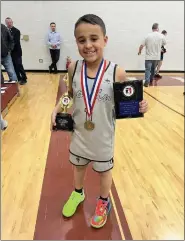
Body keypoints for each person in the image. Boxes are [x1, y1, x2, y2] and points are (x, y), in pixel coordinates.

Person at [51, 14, 148, 229]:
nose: (88, 45)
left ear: (105, 40)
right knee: (78, 166)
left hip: (103, 135)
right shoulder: (73, 68)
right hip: (79, 133)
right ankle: (78, 193)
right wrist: (57, 107)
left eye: (94, 38)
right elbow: (69, 94)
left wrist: (140, 106)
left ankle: (104, 202)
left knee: (104, 171)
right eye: (81, 40)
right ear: (76, 42)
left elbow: (127, 101)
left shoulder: (117, 72)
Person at [138, 23, 166, 87]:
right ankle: (151, 80)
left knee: (147, 69)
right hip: (156, 57)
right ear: (157, 28)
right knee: (153, 69)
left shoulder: (148, 36)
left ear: (152, 28)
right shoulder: (161, 36)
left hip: (148, 57)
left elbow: (142, 45)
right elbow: (164, 43)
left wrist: (139, 51)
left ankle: (147, 81)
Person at [5, 17, 27, 85]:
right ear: (6, 23)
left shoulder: (16, 31)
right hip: (9, 52)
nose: (9, 24)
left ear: (12, 22)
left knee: (19, 65)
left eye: (10, 22)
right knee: (13, 66)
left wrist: (10, 49)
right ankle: (18, 78)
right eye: (7, 22)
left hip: (16, 51)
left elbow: (15, 42)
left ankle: (24, 78)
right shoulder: (5, 31)